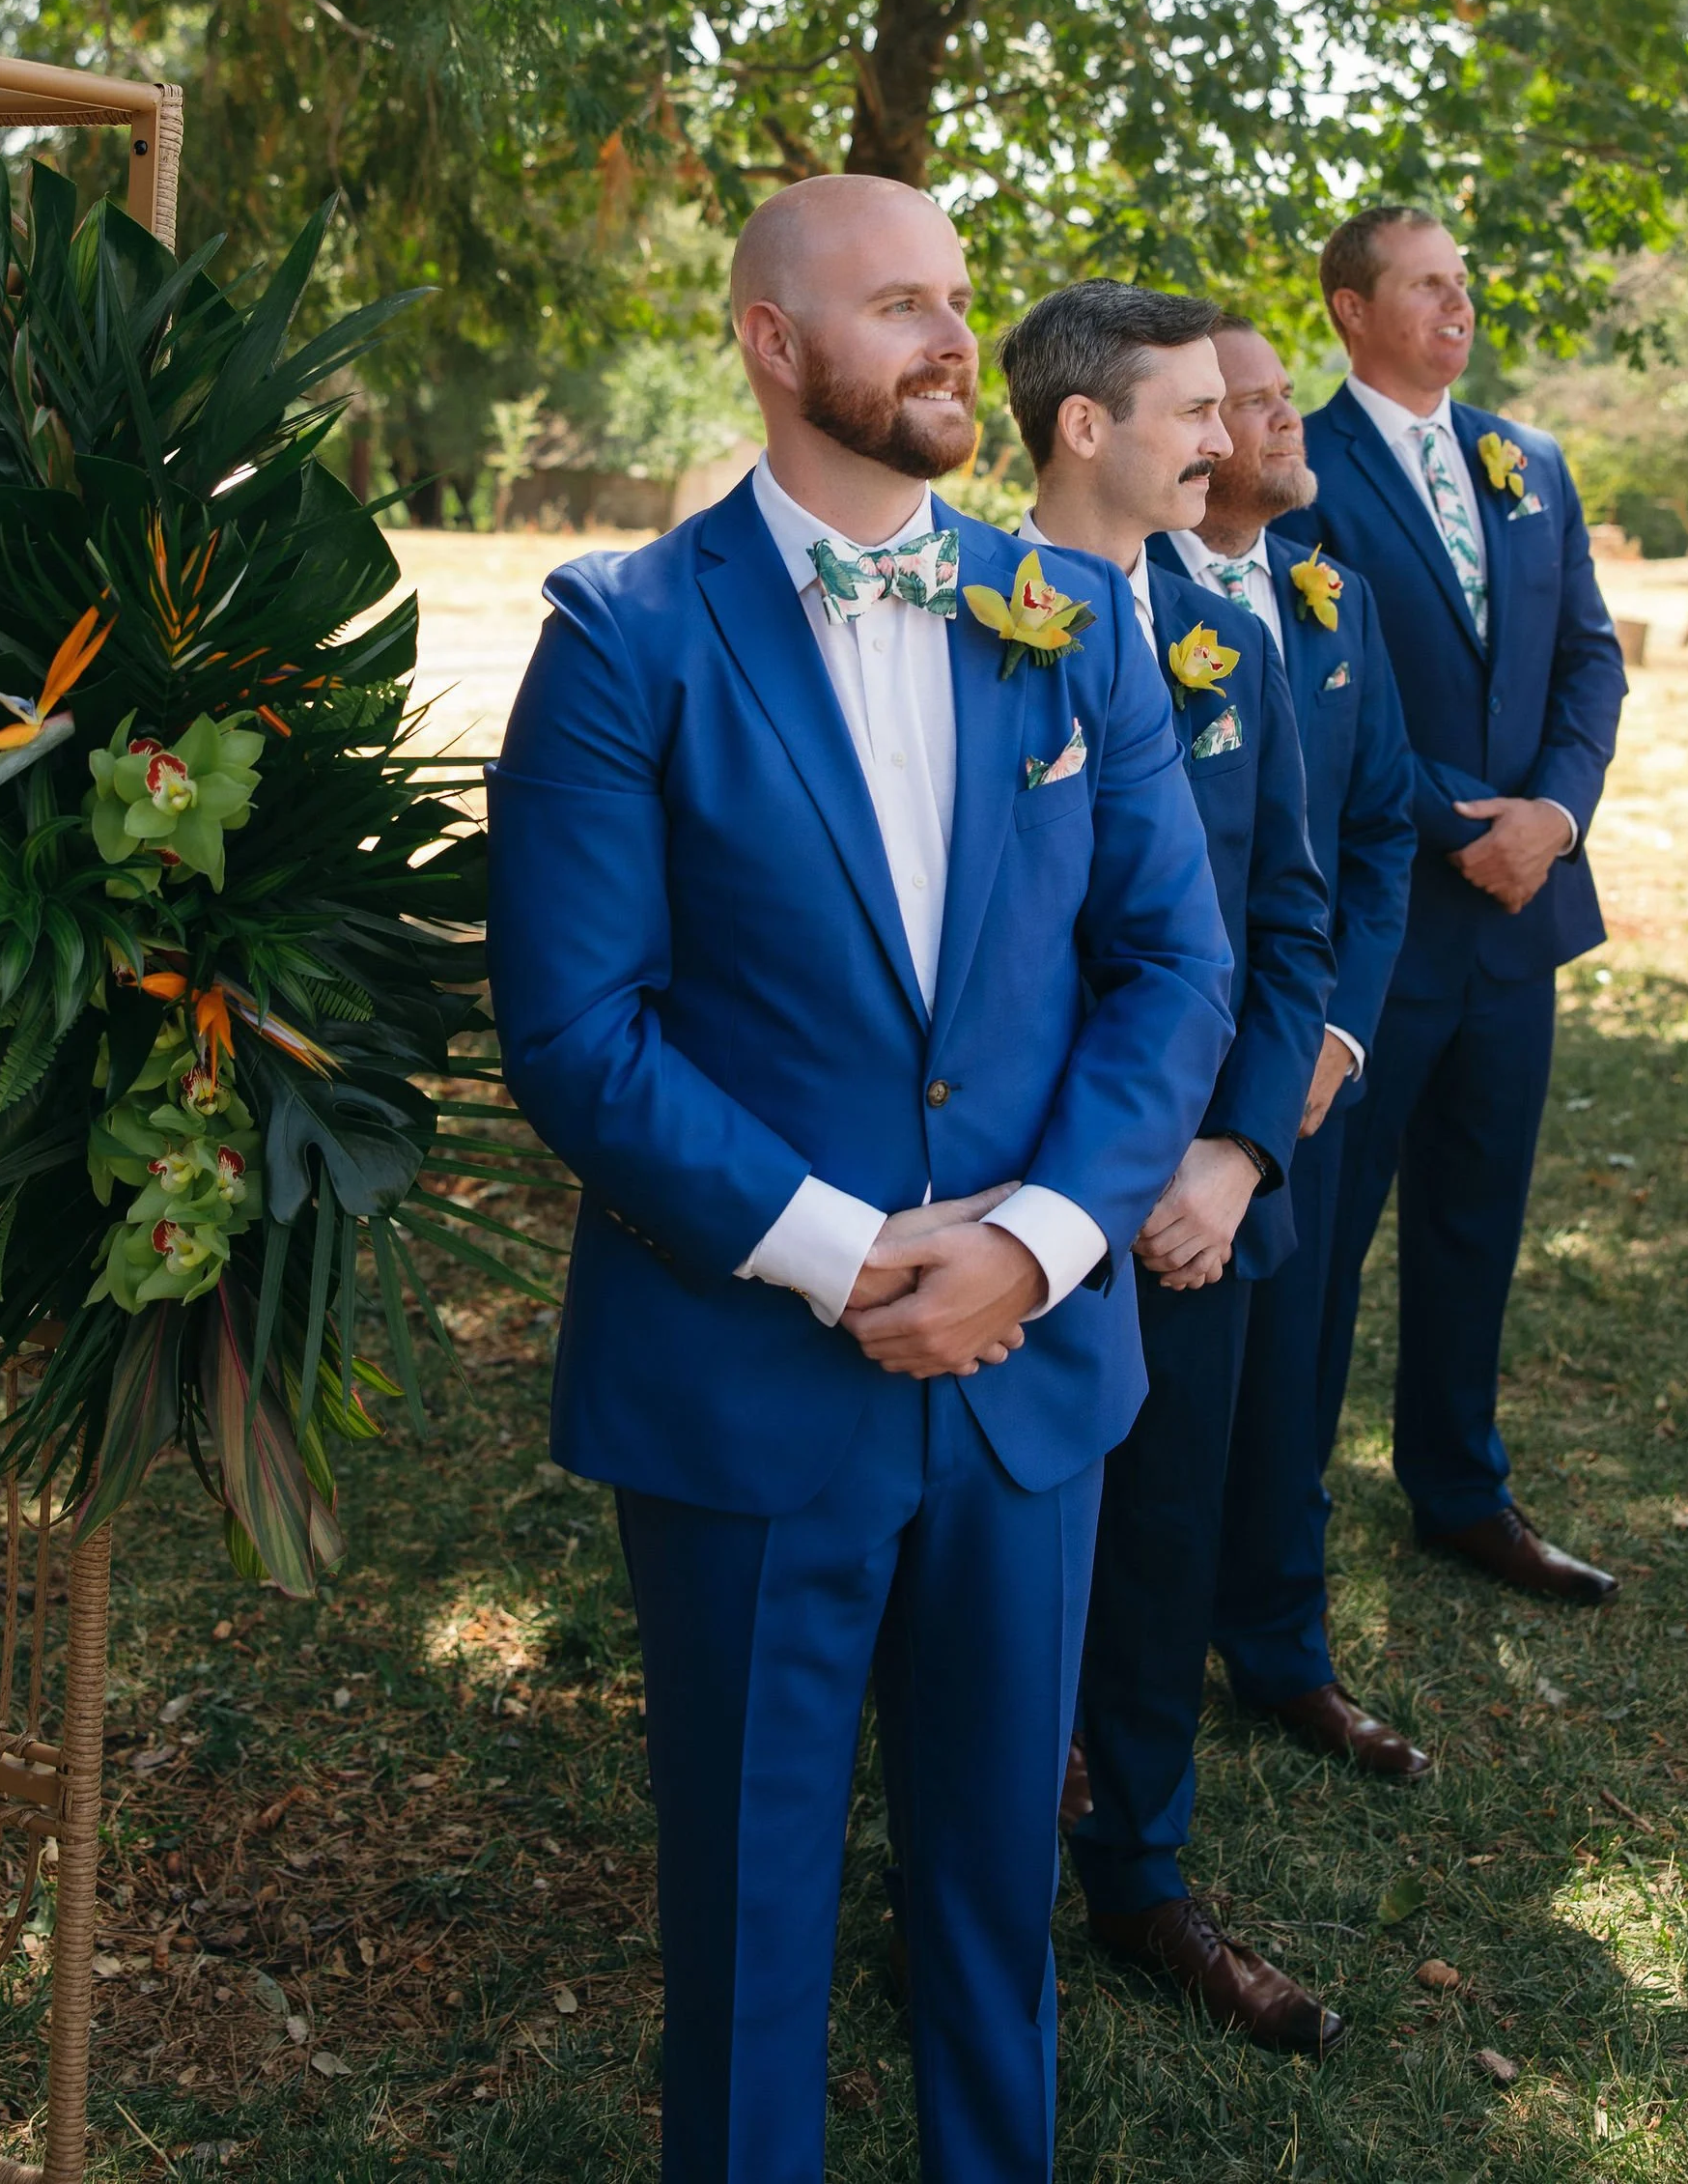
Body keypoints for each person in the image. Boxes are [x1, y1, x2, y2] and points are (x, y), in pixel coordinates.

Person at [487, 177, 1237, 2184]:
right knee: (745, 1916)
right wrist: (834, 1253)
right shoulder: (620, 639)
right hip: (745, 1397)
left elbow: (1175, 966)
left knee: (997, 1894)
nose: (944, 341)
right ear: (763, 337)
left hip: (1029, 1391)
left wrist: (1037, 1239)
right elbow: (575, 1028)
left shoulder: (1068, 620)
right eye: (895, 302)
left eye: (957, 302)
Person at [997, 282, 1342, 2054]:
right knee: (979, 1578)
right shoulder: (965, 622)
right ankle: (967, 1905)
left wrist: (1229, 1157)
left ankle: (1142, 1880)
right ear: (1086, 429)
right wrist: (1064, 1181)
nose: (1231, 441)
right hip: (1016, 1209)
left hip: (1195, 1215)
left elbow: (1288, 922)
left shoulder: (1241, 643)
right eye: (1198, 413)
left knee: (1164, 1548)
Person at [1272, 206, 1627, 1606]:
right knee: (1328, 1241)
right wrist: (1453, 825)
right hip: (1384, 926)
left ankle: (1461, 1491)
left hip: (1520, 914)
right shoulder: (1303, 468)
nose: (1457, 307)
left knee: (1478, 1219)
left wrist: (1554, 817)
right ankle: (1276, 1513)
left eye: (1462, 286)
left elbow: (1589, 660)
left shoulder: (1528, 459)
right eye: (1426, 286)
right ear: (1352, 311)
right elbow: (1317, 693)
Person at [1145, 317, 1425, 1781]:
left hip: (1297, 1076)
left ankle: (1281, 1648)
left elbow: (1374, 837)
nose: (1282, 421)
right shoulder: (1124, 601)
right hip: (1154, 1081)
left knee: (1291, 1377)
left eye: (1272, 396)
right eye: (1248, 404)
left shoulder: (1334, 604)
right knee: (1141, 1416)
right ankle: (1092, 1694)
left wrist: (1332, 1038)